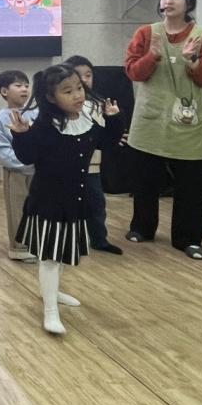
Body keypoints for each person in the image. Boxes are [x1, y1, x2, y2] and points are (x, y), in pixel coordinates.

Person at [10, 64, 123, 334]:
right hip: (48, 203)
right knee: (49, 258)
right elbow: (27, 156)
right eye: (68, 91)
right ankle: (50, 310)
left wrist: (114, 119)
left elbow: (106, 141)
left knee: (60, 254)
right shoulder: (45, 126)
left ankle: (52, 292)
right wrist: (21, 135)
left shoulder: (86, 121)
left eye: (79, 88)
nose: (77, 95)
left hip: (74, 202)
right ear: (51, 98)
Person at [124, 0, 202, 260]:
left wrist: (192, 61)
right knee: (145, 180)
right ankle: (142, 227)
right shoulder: (146, 33)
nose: (169, 0)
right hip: (151, 118)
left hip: (187, 120)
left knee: (191, 183)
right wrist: (152, 56)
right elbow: (133, 72)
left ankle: (189, 238)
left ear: (189, 3)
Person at [63, 55, 122, 255]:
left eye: (89, 75)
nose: (85, 80)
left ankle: (99, 239)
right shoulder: (62, 106)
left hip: (92, 165)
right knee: (69, 204)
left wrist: (115, 123)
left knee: (96, 204)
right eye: (80, 76)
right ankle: (70, 239)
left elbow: (103, 135)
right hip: (68, 167)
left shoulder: (99, 103)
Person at [0, 69, 38, 262]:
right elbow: (1, 149)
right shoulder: (1, 118)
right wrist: (25, 161)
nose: (24, 89)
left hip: (39, 171)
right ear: (4, 91)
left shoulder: (36, 113)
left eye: (26, 85)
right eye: (18, 85)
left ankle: (39, 243)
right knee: (18, 209)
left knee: (39, 208)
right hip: (16, 172)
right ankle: (20, 247)